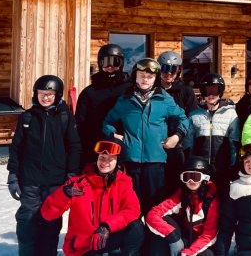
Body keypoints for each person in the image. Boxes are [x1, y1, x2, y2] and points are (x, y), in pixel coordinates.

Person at [103, 58, 190, 212]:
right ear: (135, 76)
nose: (145, 79)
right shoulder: (125, 100)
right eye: (142, 75)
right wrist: (113, 134)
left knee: (154, 206)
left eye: (149, 77)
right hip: (131, 161)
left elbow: (183, 119)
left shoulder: (164, 99)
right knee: (131, 205)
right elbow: (107, 122)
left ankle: (153, 235)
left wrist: (176, 137)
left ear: (155, 78)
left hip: (156, 161)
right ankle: (134, 235)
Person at [8, 75, 81, 256]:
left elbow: (74, 147)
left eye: (49, 94)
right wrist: (13, 175)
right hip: (30, 180)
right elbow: (16, 148)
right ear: (36, 94)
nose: (45, 97)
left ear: (57, 95)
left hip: (55, 182)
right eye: (42, 94)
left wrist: (71, 173)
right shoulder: (28, 117)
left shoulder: (65, 117)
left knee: (51, 222)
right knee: (27, 221)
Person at [40, 138, 145, 256]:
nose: (105, 162)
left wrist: (107, 226)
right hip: (84, 247)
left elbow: (132, 210)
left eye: (110, 159)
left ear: (117, 162)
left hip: (107, 238)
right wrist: (63, 194)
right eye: (102, 158)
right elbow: (47, 214)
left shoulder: (123, 183)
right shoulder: (78, 183)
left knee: (136, 228)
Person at [146, 156, 220, 256]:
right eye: (186, 177)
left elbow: (209, 235)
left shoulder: (211, 200)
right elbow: (153, 214)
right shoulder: (182, 195)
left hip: (201, 246)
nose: (191, 181)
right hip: (184, 239)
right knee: (160, 235)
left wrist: (190, 252)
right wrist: (173, 236)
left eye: (195, 177)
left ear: (204, 178)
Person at [77, 44, 130, 167]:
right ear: (100, 64)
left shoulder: (130, 89)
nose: (110, 67)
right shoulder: (89, 92)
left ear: (121, 64)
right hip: (97, 149)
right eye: (106, 62)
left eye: (115, 62)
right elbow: (81, 125)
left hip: (125, 148)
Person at [186, 73, 240, 192]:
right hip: (201, 168)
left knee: (221, 198)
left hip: (222, 167)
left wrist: (233, 166)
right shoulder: (194, 115)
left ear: (220, 92)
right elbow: (189, 144)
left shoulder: (230, 114)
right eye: (207, 91)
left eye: (214, 91)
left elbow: (234, 143)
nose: (211, 95)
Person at [158, 51, 199, 195]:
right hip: (158, 143)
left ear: (179, 71)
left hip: (179, 144)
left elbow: (191, 117)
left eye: (173, 70)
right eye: (164, 69)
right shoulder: (153, 90)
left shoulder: (186, 92)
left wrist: (178, 137)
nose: (168, 73)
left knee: (177, 181)